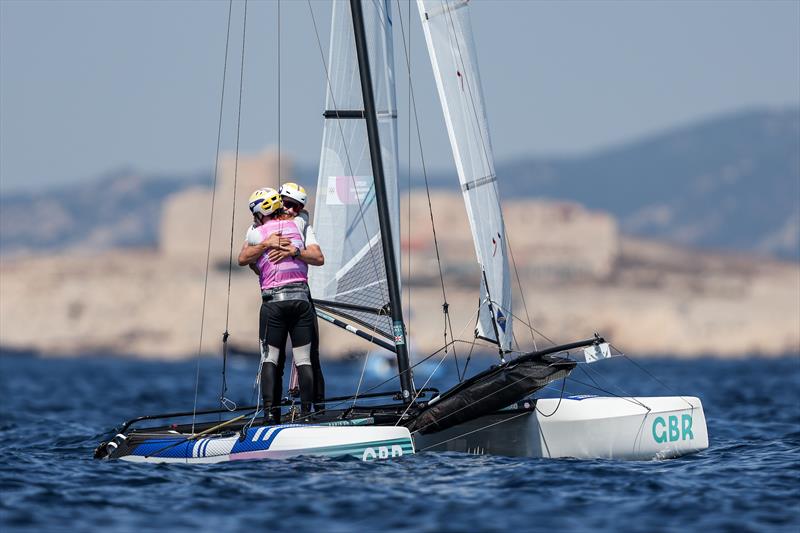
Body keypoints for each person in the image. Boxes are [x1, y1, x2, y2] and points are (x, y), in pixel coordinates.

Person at [237, 188, 324, 422]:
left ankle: (269, 415)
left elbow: (242, 258)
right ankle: (307, 414)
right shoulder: (299, 225)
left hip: (274, 304)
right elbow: (305, 225)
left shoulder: (258, 234)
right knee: (305, 359)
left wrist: (266, 245)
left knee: (270, 359)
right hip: (301, 302)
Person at [277, 183, 326, 412]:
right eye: (288, 205)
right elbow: (244, 258)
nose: (291, 210)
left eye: (296, 207)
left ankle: (318, 411)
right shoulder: (264, 225)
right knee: (274, 360)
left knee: (310, 357)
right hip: (275, 299)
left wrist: (295, 252)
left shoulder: (303, 224)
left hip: (302, 298)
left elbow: (317, 256)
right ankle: (272, 412)